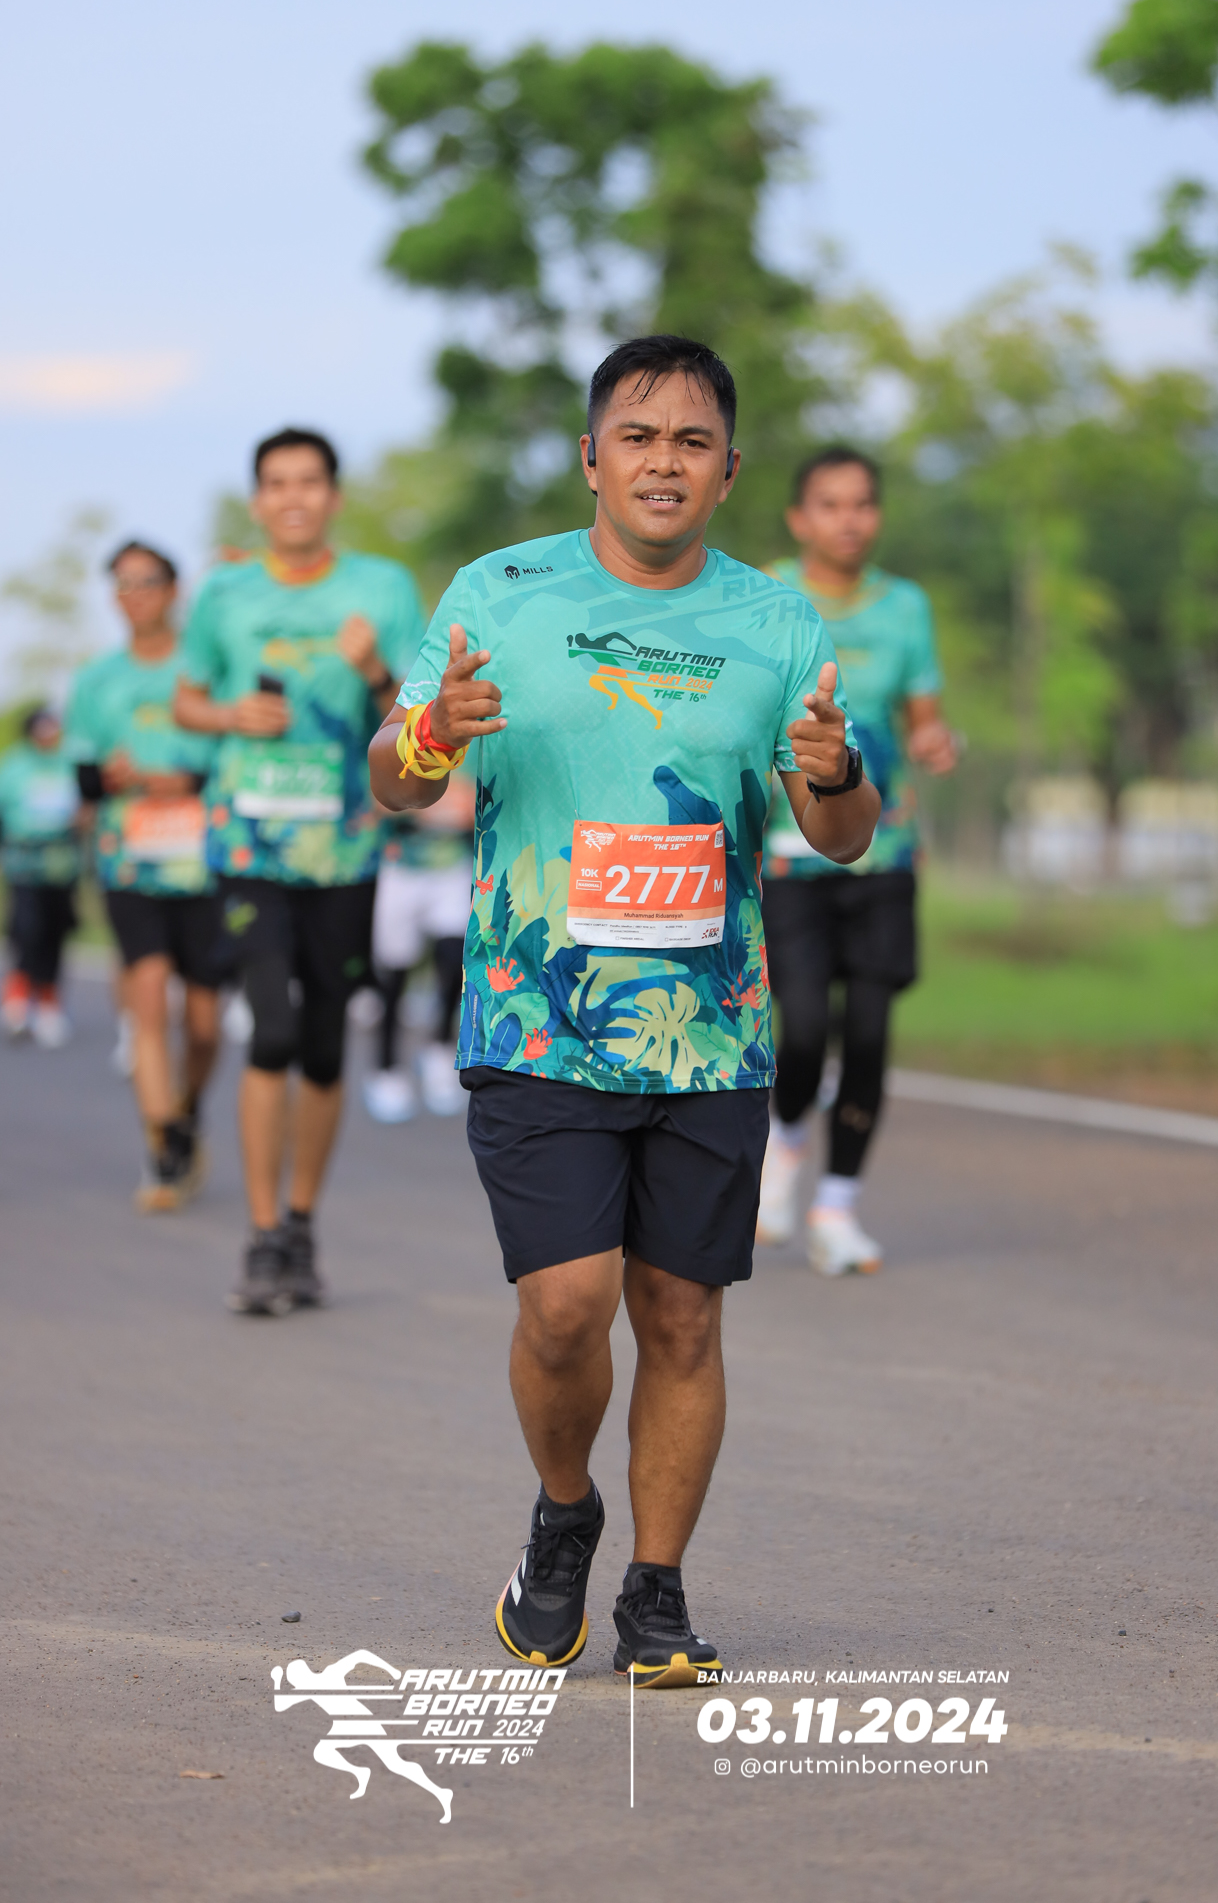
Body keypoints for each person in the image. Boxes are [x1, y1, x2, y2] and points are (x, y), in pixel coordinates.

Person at [369, 336, 880, 1687]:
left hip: (710, 1033)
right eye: (639, 437)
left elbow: (840, 833)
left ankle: (656, 1589)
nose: (665, 461)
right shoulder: (500, 594)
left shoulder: (775, 623)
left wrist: (835, 773)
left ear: (727, 472)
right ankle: (564, 1513)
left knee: (683, 1317)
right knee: (564, 1307)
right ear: (591, 458)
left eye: (692, 441)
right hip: (537, 1016)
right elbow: (393, 780)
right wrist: (432, 733)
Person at [173, 428, 425, 1313]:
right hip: (248, 845)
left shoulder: (381, 589)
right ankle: (260, 1233)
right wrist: (228, 716)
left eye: (309, 482)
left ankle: (302, 1226)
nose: (293, 498)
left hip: (345, 848)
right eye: (276, 483)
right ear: (257, 500)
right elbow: (186, 699)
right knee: (271, 1031)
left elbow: (414, 716)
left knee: (321, 1043)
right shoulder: (225, 592)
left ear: (333, 497)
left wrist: (375, 670)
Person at [757, 447, 956, 1275]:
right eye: (830, 504)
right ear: (799, 519)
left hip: (885, 854)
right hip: (789, 857)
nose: (849, 520)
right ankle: (786, 1138)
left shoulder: (905, 607)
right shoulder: (764, 596)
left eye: (863, 503)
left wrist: (934, 740)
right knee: (803, 1028)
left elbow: (923, 716)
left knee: (869, 1033)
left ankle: (836, 1208)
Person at [64, 543, 223, 1210]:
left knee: (205, 1024)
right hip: (129, 860)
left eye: (147, 581)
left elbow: (234, 750)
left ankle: (186, 1111)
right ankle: (164, 1148)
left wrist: (185, 779)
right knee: (149, 993)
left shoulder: (207, 667)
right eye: (122, 583)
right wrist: (110, 778)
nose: (135, 595)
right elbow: (82, 776)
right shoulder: (96, 679)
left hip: (206, 862)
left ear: (174, 589)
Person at [363, 769, 473, 1123]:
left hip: (453, 866)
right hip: (401, 868)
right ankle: (386, 1066)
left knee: (453, 960)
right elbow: (376, 800)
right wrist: (424, 805)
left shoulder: (476, 747)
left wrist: (459, 807)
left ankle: (440, 1047)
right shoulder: (398, 738)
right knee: (394, 974)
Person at [0, 707, 81, 1047]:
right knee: (27, 931)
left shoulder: (70, 761)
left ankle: (49, 1003)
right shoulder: (14, 766)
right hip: (24, 865)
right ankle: (18, 999)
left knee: (55, 933)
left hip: (63, 866)